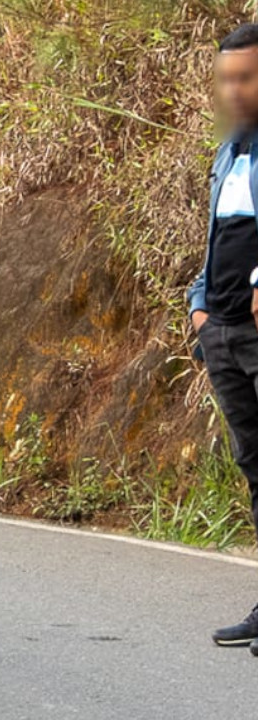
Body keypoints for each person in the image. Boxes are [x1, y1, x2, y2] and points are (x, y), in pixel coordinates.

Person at [188, 23, 258, 654]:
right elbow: (215, 244)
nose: (234, 90)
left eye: (247, 76)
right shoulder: (229, 152)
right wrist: (199, 308)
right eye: (227, 79)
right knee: (256, 468)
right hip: (225, 334)